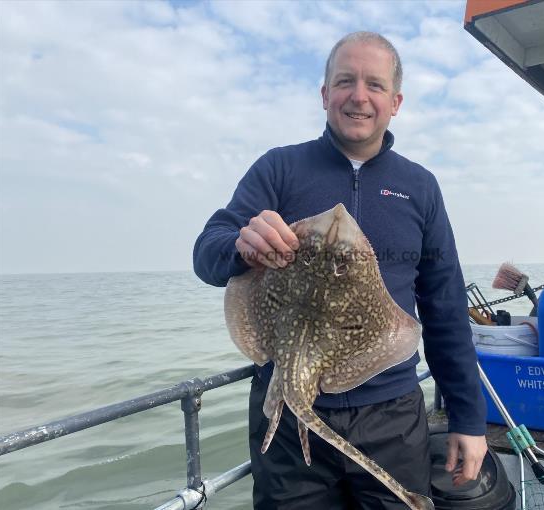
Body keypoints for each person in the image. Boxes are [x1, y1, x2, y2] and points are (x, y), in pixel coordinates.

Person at [194, 31, 487, 509]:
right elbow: (207, 252)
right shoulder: (279, 170)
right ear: (325, 93)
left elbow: (445, 308)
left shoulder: (420, 187)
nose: (359, 95)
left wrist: (468, 418)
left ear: (395, 102)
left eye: (374, 85)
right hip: (286, 409)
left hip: (392, 414)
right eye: (345, 81)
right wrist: (241, 246)